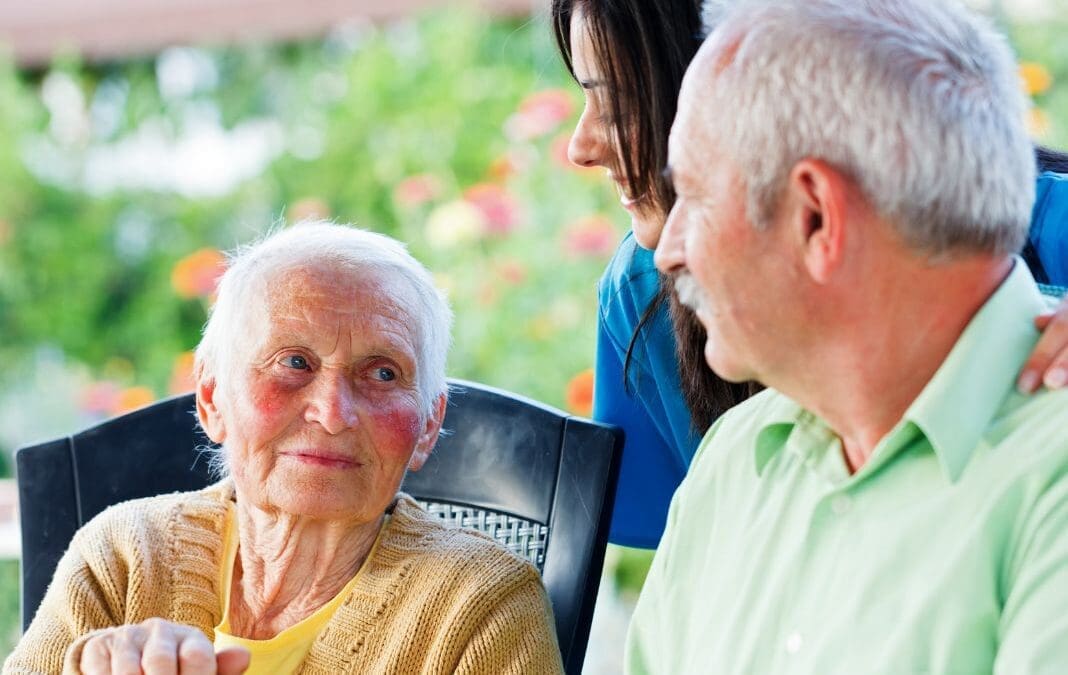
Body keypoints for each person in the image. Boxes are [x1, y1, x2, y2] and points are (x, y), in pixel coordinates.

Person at [630, 0, 1068, 671]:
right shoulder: (736, 459)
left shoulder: (1048, 479)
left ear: (816, 218)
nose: (667, 249)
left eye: (694, 192)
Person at [4, 222, 564, 675]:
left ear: (426, 426)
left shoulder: (481, 607)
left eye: (383, 373)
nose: (334, 412)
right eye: (294, 362)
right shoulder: (122, 558)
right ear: (211, 397)